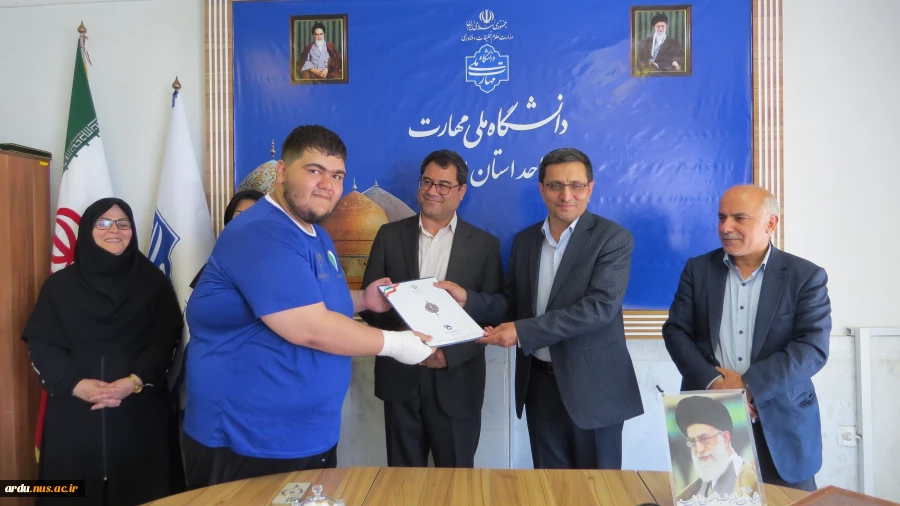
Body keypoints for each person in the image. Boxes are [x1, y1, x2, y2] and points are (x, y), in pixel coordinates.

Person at [182, 124, 434, 489]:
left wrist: (363, 299)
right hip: (248, 440)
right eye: (314, 170)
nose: (327, 185)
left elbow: (308, 298)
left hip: (308, 434)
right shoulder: (262, 232)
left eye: (337, 175)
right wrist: (399, 344)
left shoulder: (316, 234)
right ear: (282, 171)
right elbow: (308, 327)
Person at [437, 148, 644, 470]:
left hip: (594, 388)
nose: (566, 195)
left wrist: (522, 332)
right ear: (542, 188)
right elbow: (514, 303)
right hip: (540, 385)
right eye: (555, 185)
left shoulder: (612, 238)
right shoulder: (526, 241)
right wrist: (469, 299)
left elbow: (599, 308)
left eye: (576, 186)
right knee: (549, 487)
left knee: (599, 489)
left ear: (590, 188)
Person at [662, 184, 831, 491]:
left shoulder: (805, 276)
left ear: (770, 223)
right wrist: (716, 385)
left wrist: (747, 385)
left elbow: (812, 348)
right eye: (721, 217)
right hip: (709, 419)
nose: (726, 227)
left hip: (783, 420)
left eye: (739, 218)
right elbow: (676, 331)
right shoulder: (698, 270)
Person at [22, 198, 184, 506]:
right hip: (73, 412)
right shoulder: (59, 287)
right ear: (87, 230)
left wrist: (133, 381)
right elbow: (43, 345)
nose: (115, 230)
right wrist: (76, 384)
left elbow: (166, 342)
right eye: (104, 223)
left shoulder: (154, 283)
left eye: (123, 223)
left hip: (139, 411)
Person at [360, 150, 503, 468]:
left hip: (457, 380)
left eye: (443, 185)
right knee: (403, 482)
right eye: (427, 181)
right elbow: (370, 306)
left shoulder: (484, 245)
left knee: (456, 482)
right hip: (401, 377)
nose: (432, 191)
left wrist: (449, 353)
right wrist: (404, 340)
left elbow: (496, 309)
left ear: (461, 191)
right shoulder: (389, 235)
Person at [674, 396, 760, 502]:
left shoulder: (746, 476)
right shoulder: (693, 490)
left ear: (725, 438)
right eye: (692, 441)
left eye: (704, 438)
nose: (699, 449)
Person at [189, 189, 264, 289]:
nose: (245, 222)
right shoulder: (217, 266)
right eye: (239, 216)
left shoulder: (277, 263)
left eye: (253, 216)